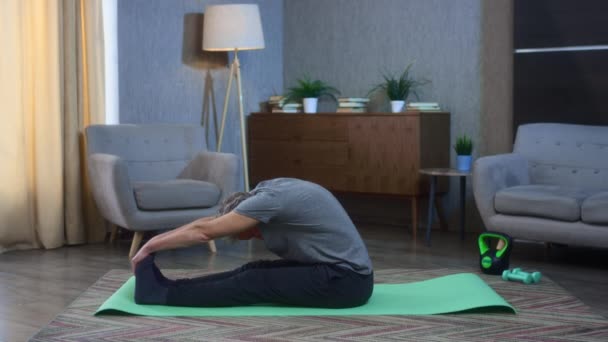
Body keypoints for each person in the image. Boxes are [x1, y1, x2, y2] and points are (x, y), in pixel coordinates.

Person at [131, 178, 374, 308]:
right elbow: (211, 222)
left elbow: (205, 232)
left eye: (254, 234)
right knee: (253, 270)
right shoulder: (264, 192)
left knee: (254, 282)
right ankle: (168, 287)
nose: (260, 237)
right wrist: (155, 241)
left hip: (347, 283)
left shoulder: (268, 201)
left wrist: (150, 246)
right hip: (341, 274)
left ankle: (164, 297)